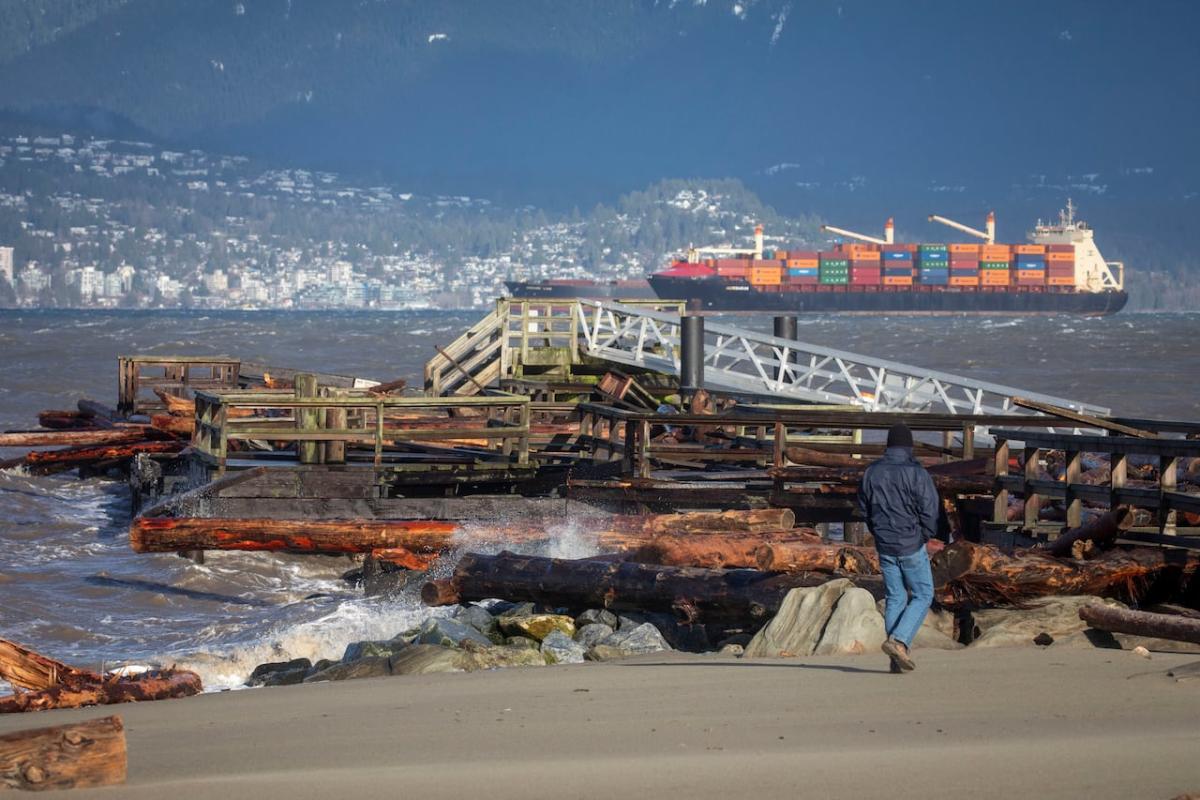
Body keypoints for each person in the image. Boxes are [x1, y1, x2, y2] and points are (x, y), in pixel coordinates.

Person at [857, 423, 938, 672]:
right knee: (924, 594)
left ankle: (895, 659)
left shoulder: (871, 472)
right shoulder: (917, 473)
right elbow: (930, 508)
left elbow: (864, 508)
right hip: (910, 542)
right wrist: (926, 534)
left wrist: (878, 532)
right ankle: (900, 641)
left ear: (888, 445)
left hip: (885, 543)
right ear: (909, 446)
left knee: (896, 597)